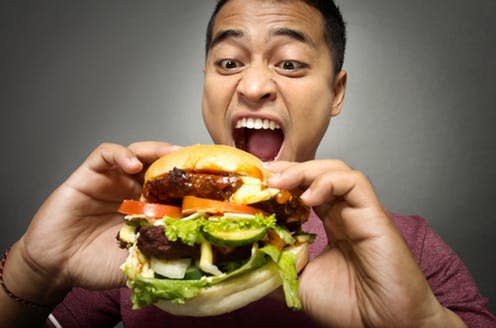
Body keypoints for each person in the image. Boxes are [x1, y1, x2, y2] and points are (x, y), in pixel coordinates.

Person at [1, 0, 495, 327]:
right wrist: (33, 267)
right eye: (230, 62)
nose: (253, 86)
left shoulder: (408, 246)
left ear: (336, 92)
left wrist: (423, 322)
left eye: (290, 63)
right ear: (206, 81)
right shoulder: (134, 241)